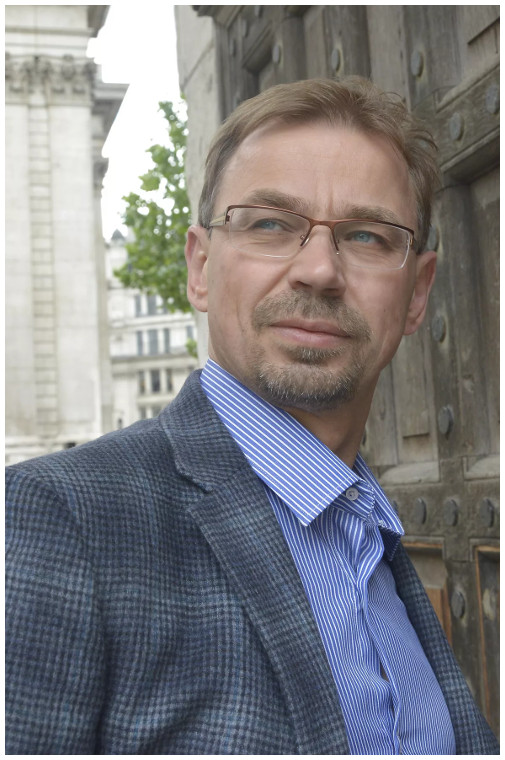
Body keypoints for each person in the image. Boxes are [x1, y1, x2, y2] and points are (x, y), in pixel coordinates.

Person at [6, 77, 499, 755]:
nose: (319, 270)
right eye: (270, 224)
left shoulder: (368, 528)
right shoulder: (56, 518)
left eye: (366, 235)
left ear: (417, 293)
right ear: (200, 268)